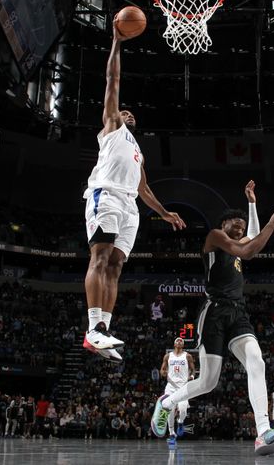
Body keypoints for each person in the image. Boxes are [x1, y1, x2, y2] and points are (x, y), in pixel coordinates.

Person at [151, 180, 274, 456]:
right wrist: (271, 226)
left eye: (243, 224)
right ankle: (168, 403)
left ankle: (263, 432)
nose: (241, 226)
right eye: (236, 223)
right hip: (214, 311)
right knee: (208, 382)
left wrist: (252, 203)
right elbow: (248, 249)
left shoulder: (239, 238)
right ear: (225, 223)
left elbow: (252, 239)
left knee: (257, 362)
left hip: (238, 311)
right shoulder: (215, 236)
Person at [82, 20, 186, 363]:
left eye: (130, 112)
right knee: (99, 258)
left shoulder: (138, 150)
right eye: (123, 110)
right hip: (106, 195)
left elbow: (143, 188)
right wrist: (116, 41)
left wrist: (163, 212)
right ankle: (92, 327)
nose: (127, 112)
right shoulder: (112, 127)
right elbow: (113, 80)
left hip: (130, 206)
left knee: (115, 267)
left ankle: (104, 330)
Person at [160, 337, 196, 447]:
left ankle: (180, 422)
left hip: (183, 387)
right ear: (174, 343)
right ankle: (171, 434)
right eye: (177, 340)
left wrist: (192, 376)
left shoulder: (188, 356)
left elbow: (193, 369)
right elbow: (162, 369)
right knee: (170, 411)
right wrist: (163, 373)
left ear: (183, 345)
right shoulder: (168, 356)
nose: (179, 341)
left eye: (181, 341)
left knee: (183, 410)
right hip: (171, 387)